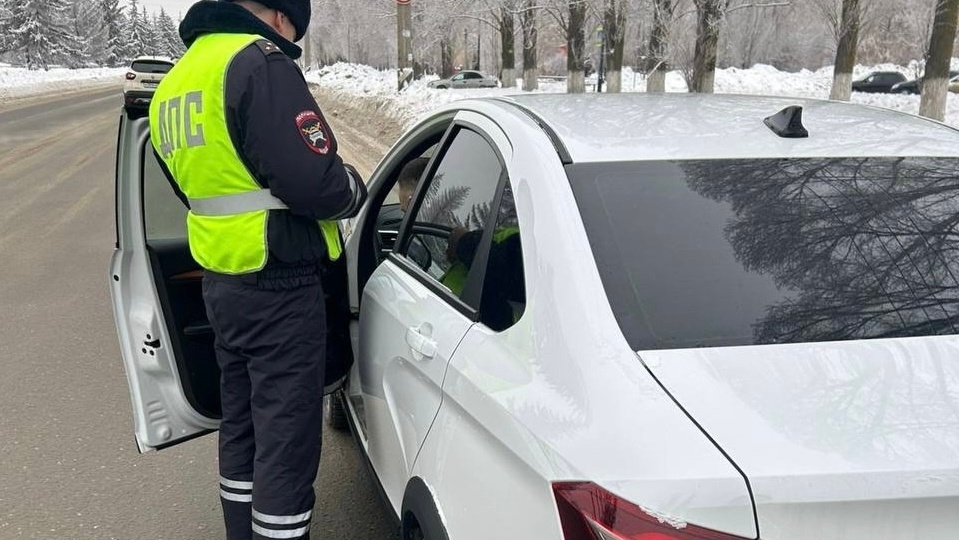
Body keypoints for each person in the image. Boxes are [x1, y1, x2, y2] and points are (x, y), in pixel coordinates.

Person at [148, 1, 366, 539]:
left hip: (223, 283)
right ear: (277, 14)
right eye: (294, 25)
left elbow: (193, 189)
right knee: (286, 444)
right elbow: (315, 183)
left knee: (242, 427)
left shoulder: (175, 84)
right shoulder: (257, 63)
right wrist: (353, 187)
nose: (291, 36)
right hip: (281, 284)